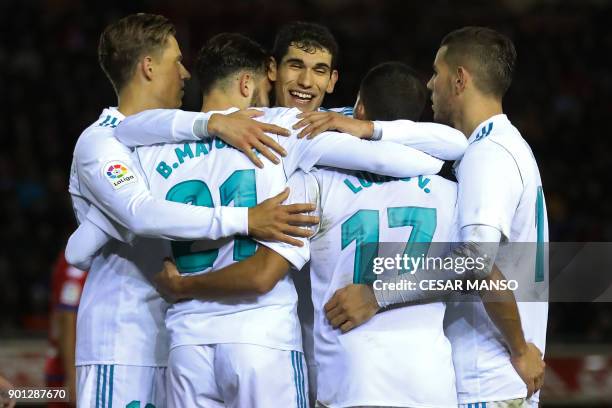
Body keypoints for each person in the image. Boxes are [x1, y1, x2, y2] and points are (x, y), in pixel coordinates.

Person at [108, 33, 453, 407]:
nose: (305, 82)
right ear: (267, 74)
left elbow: (123, 131)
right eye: (294, 66)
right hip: (288, 348)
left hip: (207, 343)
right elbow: (491, 269)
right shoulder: (294, 135)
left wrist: (207, 124)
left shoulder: (158, 146)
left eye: (318, 70)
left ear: (340, 86)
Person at [67, 14, 319, 407]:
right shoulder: (100, 140)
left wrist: (209, 123)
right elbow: (135, 215)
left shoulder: (173, 138)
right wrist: (246, 219)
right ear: (148, 67)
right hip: (122, 340)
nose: (186, 73)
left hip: (176, 333)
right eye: (177, 60)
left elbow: (81, 247)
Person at [325, 27, 548, 408]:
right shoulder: (506, 145)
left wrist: (377, 295)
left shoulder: (488, 155)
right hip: (496, 378)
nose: (429, 85)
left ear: (459, 79)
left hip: (486, 378)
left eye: (436, 72)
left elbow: (476, 261)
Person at [45, 249, 87, 407]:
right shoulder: (80, 259)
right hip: (66, 369)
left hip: (71, 366)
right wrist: (71, 375)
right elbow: (66, 317)